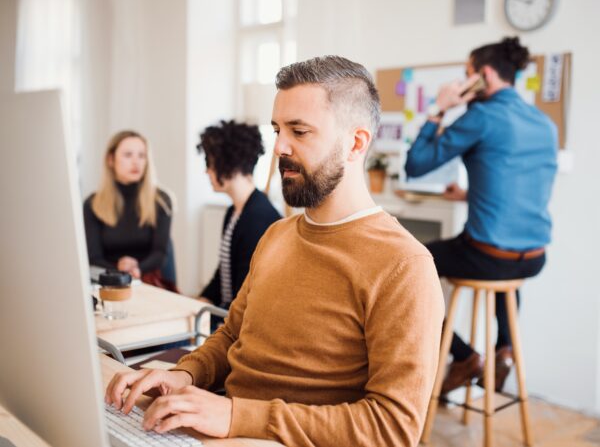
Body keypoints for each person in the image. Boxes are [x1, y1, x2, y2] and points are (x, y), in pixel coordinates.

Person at [105, 56, 444, 447]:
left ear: (355, 143)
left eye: (299, 132)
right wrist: (183, 375)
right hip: (228, 424)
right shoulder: (277, 236)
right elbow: (231, 335)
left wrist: (238, 416)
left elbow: (392, 428)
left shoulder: (404, 266)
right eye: (278, 130)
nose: (279, 147)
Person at [405, 37, 558, 395]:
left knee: (407, 267)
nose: (462, 83)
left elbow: (416, 165)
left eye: (466, 74)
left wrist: (439, 109)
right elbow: (521, 186)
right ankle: (504, 349)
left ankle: (464, 357)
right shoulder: (543, 123)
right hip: (534, 258)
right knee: (504, 268)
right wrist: (469, 195)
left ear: (484, 75)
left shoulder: (482, 116)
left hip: (487, 256)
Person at [196, 120, 280, 312]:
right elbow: (223, 273)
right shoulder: (234, 212)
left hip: (240, 323)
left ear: (228, 164)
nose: (206, 170)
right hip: (227, 314)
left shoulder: (258, 218)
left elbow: (246, 294)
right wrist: (202, 300)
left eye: (209, 162)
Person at [83, 130, 176, 292]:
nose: (136, 162)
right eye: (128, 155)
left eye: (142, 155)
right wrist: (120, 270)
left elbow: (160, 253)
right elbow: (93, 257)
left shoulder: (161, 200)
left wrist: (136, 268)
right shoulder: (92, 204)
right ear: (111, 160)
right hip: (108, 281)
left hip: (149, 280)